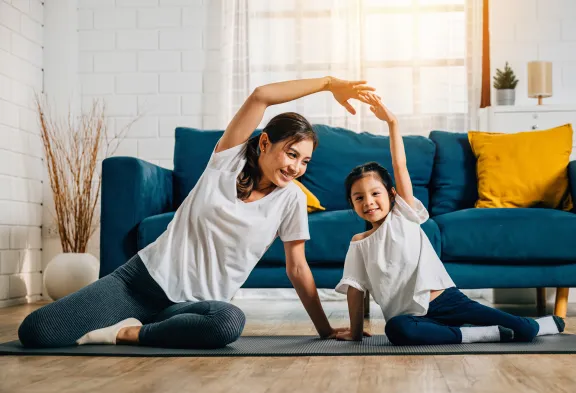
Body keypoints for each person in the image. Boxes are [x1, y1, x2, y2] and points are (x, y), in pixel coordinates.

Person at [18, 77, 375, 349]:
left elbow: (297, 268)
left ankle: (129, 332)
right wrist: (330, 83)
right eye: (291, 154)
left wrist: (325, 329)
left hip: (192, 307)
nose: (297, 167)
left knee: (227, 322)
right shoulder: (228, 160)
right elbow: (261, 96)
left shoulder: (291, 201)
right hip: (139, 282)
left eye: (305, 160)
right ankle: (144, 324)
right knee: (36, 332)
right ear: (264, 143)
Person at [335, 92, 565, 345]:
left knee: (524, 331)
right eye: (358, 198)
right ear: (352, 204)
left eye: (375, 194)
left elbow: (400, 166)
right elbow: (355, 290)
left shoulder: (403, 214)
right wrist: (355, 333)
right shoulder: (359, 243)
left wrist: (392, 124)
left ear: (392, 195)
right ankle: (478, 334)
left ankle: (537, 325)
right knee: (397, 330)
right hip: (412, 319)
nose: (368, 202)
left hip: (446, 302)